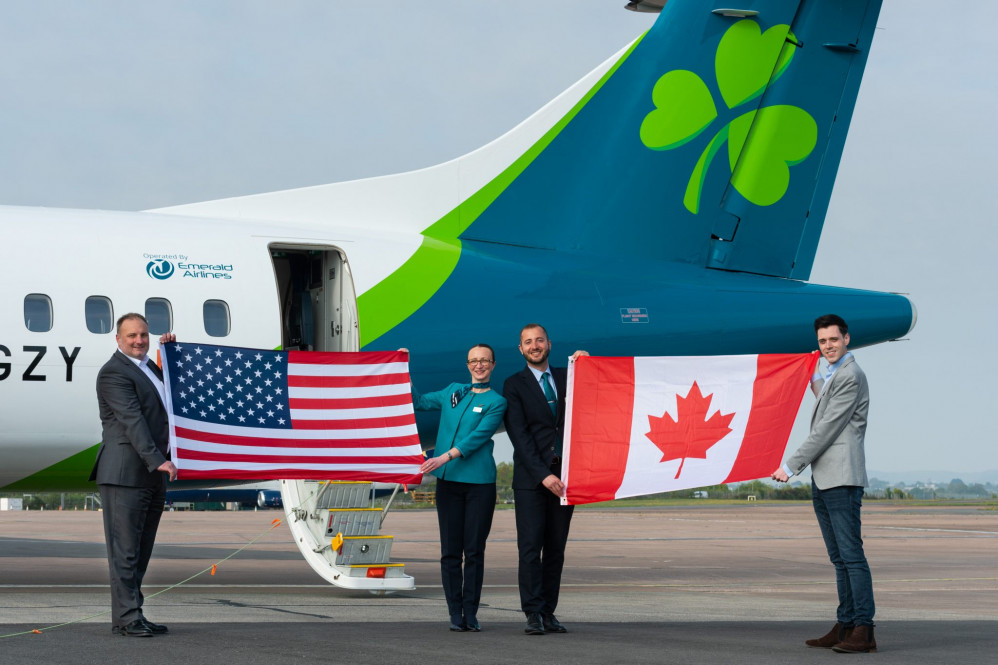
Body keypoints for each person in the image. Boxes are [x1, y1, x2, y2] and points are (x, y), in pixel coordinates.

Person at [771, 314, 877, 654]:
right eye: (822, 342)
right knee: (839, 558)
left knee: (851, 556)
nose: (828, 346)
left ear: (847, 339)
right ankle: (846, 623)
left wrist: (791, 465)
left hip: (842, 478)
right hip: (826, 477)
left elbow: (828, 426)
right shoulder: (832, 375)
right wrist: (806, 371)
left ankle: (864, 629)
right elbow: (822, 399)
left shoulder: (851, 375)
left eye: (833, 339)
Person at [90, 313, 177, 638]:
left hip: (152, 474)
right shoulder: (113, 373)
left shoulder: (149, 368)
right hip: (126, 472)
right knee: (125, 551)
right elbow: (133, 421)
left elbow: (169, 401)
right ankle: (126, 618)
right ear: (118, 339)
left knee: (141, 550)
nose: (139, 340)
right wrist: (159, 461)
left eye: (143, 334)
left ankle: (133, 612)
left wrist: (169, 356)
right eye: (131, 336)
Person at [409, 344, 507, 632]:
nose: (479, 365)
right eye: (474, 361)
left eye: (484, 361)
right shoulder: (453, 391)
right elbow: (419, 402)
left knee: (474, 551)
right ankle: (454, 611)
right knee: (450, 551)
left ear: (493, 364)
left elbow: (478, 437)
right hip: (449, 485)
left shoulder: (496, 401)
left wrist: (443, 456)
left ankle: (471, 612)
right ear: (467, 365)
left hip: (479, 485)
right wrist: (403, 368)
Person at [502, 323, 587, 635]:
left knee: (556, 549)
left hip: (567, 479)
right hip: (531, 481)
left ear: (549, 343)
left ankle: (549, 612)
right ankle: (533, 613)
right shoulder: (514, 385)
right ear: (521, 350)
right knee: (530, 549)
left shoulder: (569, 377)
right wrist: (544, 475)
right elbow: (520, 437)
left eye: (539, 340)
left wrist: (587, 365)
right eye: (528, 342)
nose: (534, 346)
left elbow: (594, 397)